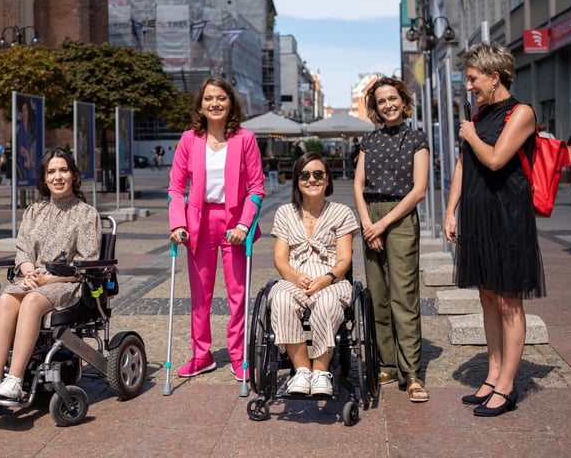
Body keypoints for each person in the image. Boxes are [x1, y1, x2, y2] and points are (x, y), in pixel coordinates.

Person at [444, 42, 545, 417]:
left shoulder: (521, 114)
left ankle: (508, 385)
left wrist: (470, 134)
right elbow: (463, 165)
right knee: (487, 296)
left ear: (494, 76)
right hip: (478, 214)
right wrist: (451, 210)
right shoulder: (480, 113)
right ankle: (491, 375)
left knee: (507, 301)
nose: (469, 87)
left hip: (508, 217)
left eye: (473, 79)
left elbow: (496, 158)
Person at [0, 148, 101, 399]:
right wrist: (29, 272)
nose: (58, 177)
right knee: (7, 298)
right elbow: (23, 251)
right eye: (51, 172)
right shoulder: (34, 211)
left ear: (73, 175)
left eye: (63, 170)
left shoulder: (86, 214)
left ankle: (15, 379)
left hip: (68, 283)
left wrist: (49, 279)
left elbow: (86, 263)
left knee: (30, 301)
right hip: (35, 279)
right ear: (44, 178)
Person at [167, 76, 265, 381]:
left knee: (238, 294)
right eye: (209, 98)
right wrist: (177, 223)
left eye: (221, 98)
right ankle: (202, 355)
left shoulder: (245, 139)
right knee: (200, 295)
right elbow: (175, 188)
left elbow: (257, 189)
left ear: (230, 103)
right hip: (199, 223)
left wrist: (244, 224)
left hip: (234, 223)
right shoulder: (188, 139)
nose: (215, 104)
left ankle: (238, 356)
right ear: (201, 105)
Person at [353, 76, 430, 403]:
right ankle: (387, 363)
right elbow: (357, 186)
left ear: (403, 100)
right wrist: (368, 223)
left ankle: (411, 372)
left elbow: (419, 190)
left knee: (404, 296)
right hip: (372, 216)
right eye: (381, 101)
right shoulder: (369, 141)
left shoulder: (416, 139)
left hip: (398, 219)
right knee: (378, 295)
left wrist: (382, 224)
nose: (388, 105)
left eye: (392, 99)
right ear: (375, 107)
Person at [268, 153, 358, 396]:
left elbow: (344, 259)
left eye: (318, 174)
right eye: (305, 175)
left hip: (331, 278)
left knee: (328, 302)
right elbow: (280, 259)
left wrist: (326, 279)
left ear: (327, 180)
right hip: (294, 276)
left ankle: (320, 371)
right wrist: (295, 277)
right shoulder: (285, 213)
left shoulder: (341, 212)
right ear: (297, 180)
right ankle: (302, 371)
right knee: (280, 299)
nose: (312, 180)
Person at [16, 99, 36, 184]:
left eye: (26, 110)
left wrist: (31, 159)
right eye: (24, 110)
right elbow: (21, 148)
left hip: (29, 160)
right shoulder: (20, 129)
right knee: (25, 177)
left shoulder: (28, 126)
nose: (26, 112)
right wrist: (28, 158)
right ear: (21, 113)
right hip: (23, 160)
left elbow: (30, 145)